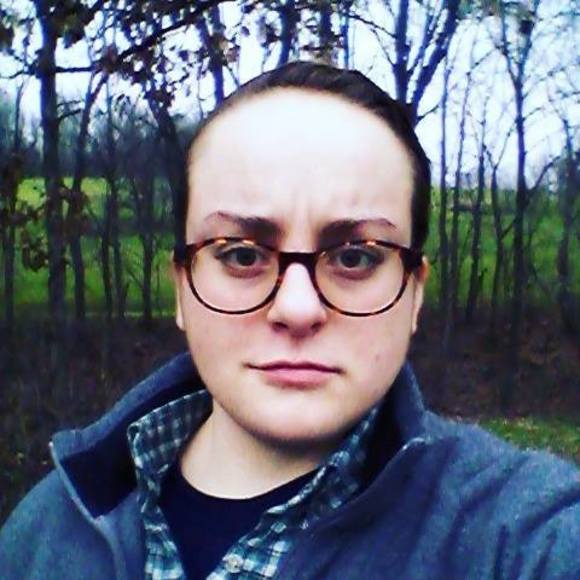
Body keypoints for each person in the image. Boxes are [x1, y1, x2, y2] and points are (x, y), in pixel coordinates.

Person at [1, 61, 578, 580]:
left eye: (355, 258)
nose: (298, 309)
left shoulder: (522, 537)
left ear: (413, 295)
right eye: (241, 255)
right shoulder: (49, 528)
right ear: (182, 288)